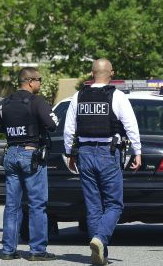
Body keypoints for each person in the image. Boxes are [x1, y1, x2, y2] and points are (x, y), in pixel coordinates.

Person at [64, 59, 142, 266]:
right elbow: (131, 126)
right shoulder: (117, 96)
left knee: (93, 206)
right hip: (108, 153)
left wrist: (69, 153)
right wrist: (137, 151)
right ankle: (100, 238)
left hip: (85, 154)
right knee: (115, 204)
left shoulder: (78, 96)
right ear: (112, 73)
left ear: (91, 74)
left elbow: (69, 128)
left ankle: (100, 253)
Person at [0, 67, 58, 261]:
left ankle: (8, 250)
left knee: (12, 205)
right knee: (37, 204)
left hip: (11, 154)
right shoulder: (37, 102)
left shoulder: (5, 103)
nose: (40, 84)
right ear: (30, 81)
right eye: (39, 80)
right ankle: (37, 251)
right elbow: (53, 124)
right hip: (31, 155)